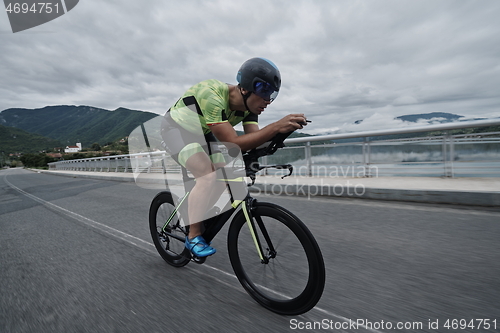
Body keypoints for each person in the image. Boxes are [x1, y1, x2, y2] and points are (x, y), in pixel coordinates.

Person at [161, 57, 308, 258]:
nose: (268, 101)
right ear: (247, 87)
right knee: (207, 176)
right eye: (265, 92)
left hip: (202, 132)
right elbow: (233, 142)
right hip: (176, 129)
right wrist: (275, 126)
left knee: (223, 178)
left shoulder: (249, 109)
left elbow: (252, 141)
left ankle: (200, 211)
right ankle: (193, 235)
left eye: (272, 95)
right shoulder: (212, 95)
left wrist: (279, 134)